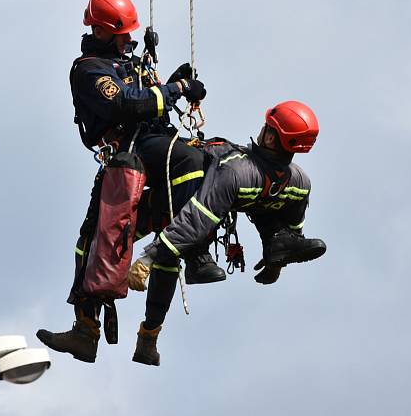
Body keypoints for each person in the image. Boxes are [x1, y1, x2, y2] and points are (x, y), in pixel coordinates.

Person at [36, 0, 224, 363]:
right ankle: (85, 331)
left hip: (154, 143)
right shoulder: (89, 69)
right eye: (124, 35)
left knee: (196, 164)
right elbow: (126, 103)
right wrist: (176, 90)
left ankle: (190, 254)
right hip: (129, 150)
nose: (130, 40)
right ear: (104, 32)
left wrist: (175, 82)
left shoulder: (127, 62)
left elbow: (146, 97)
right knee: (91, 241)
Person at [127, 100, 328, 366]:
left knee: (172, 246)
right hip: (177, 200)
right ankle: (147, 333)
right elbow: (293, 223)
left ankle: (145, 335)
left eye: (268, 127)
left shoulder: (240, 172)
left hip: (193, 214)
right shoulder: (298, 181)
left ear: (270, 136)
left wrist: (148, 258)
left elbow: (199, 218)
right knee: (174, 246)